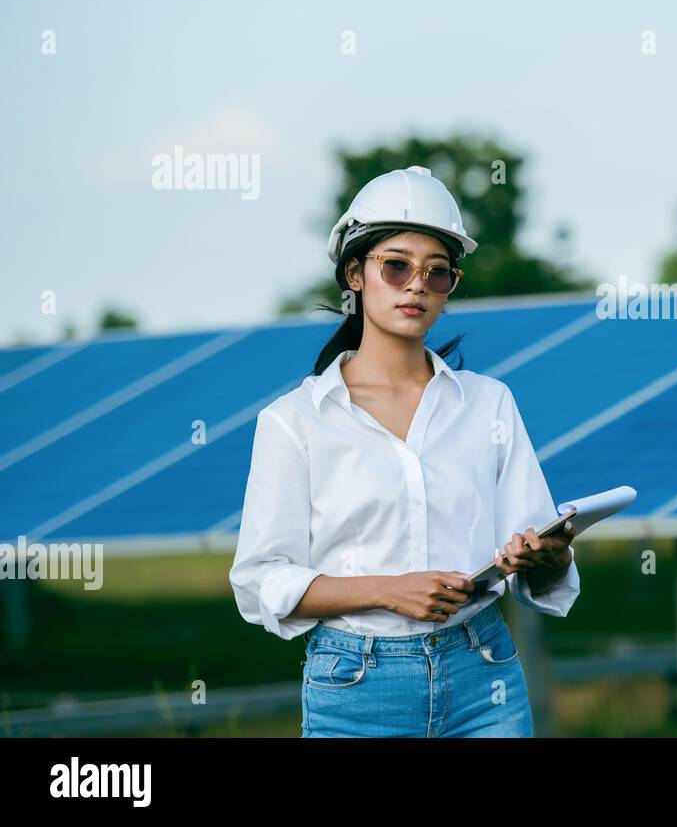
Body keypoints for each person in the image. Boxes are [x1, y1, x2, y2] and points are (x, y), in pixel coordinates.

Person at [229, 165, 579, 737]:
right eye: (396, 266)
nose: (417, 284)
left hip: (483, 673)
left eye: (437, 273)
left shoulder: (489, 404)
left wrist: (550, 556)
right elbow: (261, 581)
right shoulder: (294, 422)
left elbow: (533, 558)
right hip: (355, 688)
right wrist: (390, 590)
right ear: (355, 274)